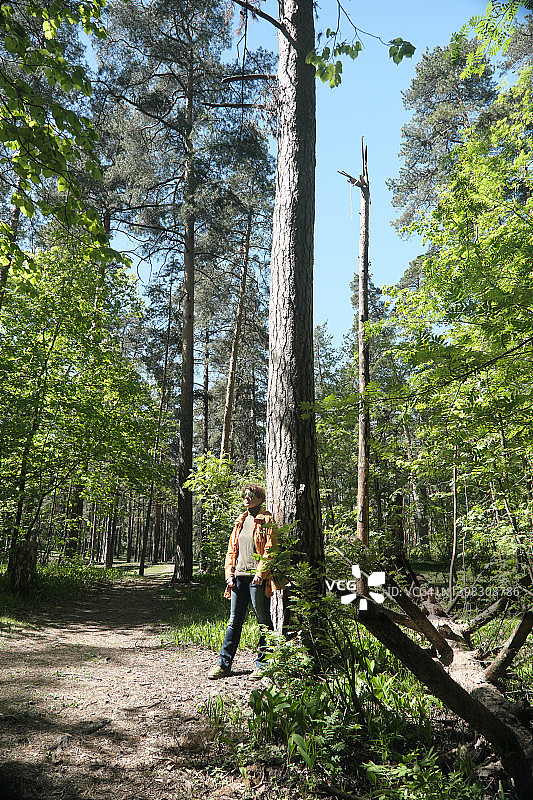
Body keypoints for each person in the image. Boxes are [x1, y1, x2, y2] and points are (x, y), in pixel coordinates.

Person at [207, 484, 276, 680]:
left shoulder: (267, 520)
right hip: (238, 578)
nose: (246, 497)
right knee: (234, 622)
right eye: (244, 495)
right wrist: (229, 575)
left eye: (250, 495)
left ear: (260, 498)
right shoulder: (241, 520)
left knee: (263, 622)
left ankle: (263, 665)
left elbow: (270, 549)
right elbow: (231, 551)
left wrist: (260, 573)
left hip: (257, 579)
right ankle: (223, 665)